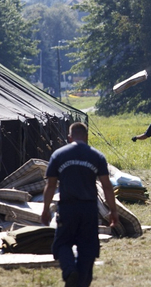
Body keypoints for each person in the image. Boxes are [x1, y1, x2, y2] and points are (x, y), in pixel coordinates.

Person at [41, 122, 119, 287]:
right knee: (88, 248)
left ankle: (70, 271)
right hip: (89, 210)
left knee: (62, 243)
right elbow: (106, 186)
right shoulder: (97, 156)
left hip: (67, 208)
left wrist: (45, 209)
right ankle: (82, 282)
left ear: (69, 138)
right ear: (87, 137)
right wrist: (113, 210)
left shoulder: (58, 155)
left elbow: (51, 185)